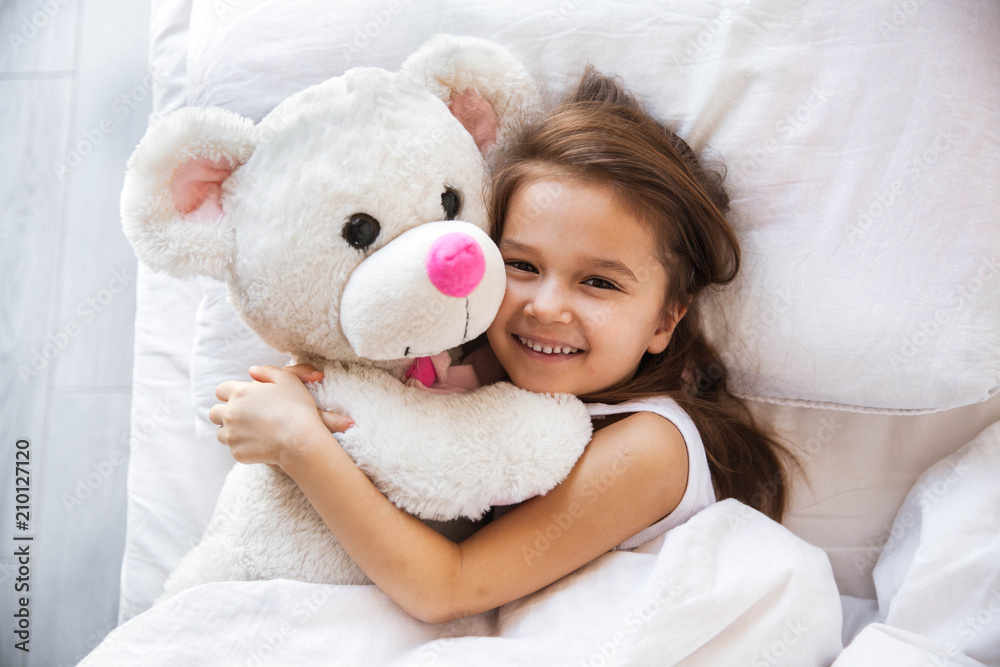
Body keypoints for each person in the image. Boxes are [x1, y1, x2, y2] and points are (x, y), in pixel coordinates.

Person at [209, 66, 792, 624]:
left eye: (600, 282)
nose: (545, 307)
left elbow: (448, 587)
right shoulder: (477, 379)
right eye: (521, 265)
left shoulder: (651, 445)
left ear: (666, 319)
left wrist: (299, 444)